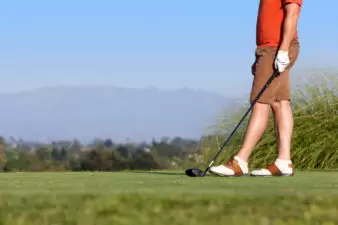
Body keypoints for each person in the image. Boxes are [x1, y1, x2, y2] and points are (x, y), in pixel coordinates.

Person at [209, 0, 303, 177]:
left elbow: (293, 13)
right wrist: (261, 58)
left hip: (277, 47)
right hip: (270, 49)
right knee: (280, 102)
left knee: (260, 102)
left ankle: (241, 161)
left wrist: (282, 51)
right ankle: (284, 161)